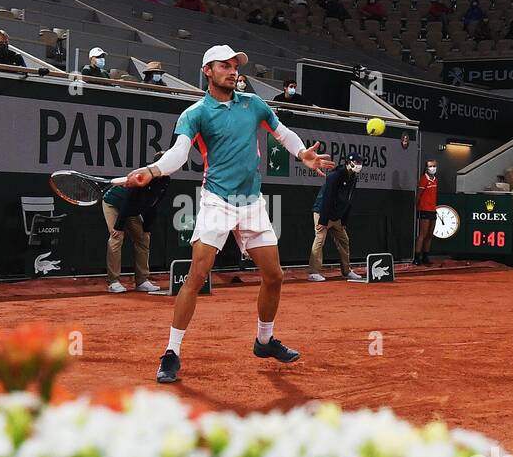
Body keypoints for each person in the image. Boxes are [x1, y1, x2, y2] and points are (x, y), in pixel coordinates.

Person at [118, 44, 334, 384]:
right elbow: (178, 153)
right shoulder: (195, 113)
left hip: (251, 203)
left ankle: (264, 341)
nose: (233, 71)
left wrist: (301, 153)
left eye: (236, 66)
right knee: (197, 275)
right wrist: (154, 170)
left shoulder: (254, 105)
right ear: (208, 71)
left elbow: (283, 133)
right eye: (225, 66)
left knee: (274, 276)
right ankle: (172, 352)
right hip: (217, 201)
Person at [101, 177, 169, 294]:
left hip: (131, 209)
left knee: (143, 238)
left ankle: (142, 281)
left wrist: (146, 227)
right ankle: (113, 282)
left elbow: (152, 206)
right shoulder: (140, 183)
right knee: (117, 237)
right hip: (113, 203)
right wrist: (118, 226)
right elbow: (126, 203)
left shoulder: (164, 182)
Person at [308, 153, 364, 282]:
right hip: (322, 212)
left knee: (344, 241)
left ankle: (346, 271)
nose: (359, 165)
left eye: (360, 162)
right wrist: (323, 220)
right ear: (348, 163)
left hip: (336, 216)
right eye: (356, 162)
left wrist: (344, 220)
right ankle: (313, 272)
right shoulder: (334, 176)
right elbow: (328, 198)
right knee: (320, 240)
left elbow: (349, 200)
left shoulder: (353, 178)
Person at [414, 158, 438, 265]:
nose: (432, 168)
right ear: (426, 168)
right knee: (422, 234)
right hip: (424, 209)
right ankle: (417, 257)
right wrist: (417, 206)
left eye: (434, 166)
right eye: (430, 166)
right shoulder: (424, 179)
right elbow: (419, 194)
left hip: (433, 210)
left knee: (430, 234)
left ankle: (425, 256)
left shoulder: (435, 180)